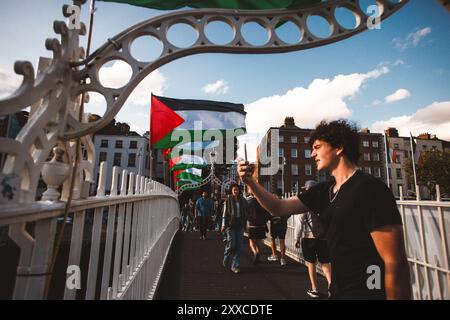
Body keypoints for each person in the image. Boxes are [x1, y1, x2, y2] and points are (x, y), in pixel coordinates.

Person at [237, 119, 411, 300]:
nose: (312, 154)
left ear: (339, 148)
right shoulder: (323, 191)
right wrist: (251, 183)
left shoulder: (370, 189)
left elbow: (394, 262)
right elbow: (278, 208)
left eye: (317, 147)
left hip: (368, 292)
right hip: (338, 291)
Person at [294, 180, 332, 299]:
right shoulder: (325, 203)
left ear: (307, 189)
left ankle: (314, 289)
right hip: (323, 238)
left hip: (309, 238)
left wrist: (296, 238)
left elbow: (299, 223)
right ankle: (332, 286)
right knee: (326, 264)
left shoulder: (305, 204)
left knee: (311, 264)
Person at [221, 183, 248, 273]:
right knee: (232, 244)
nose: (236, 191)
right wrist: (223, 225)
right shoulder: (228, 200)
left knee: (239, 246)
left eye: (237, 190)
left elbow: (246, 213)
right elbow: (224, 214)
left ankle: (235, 266)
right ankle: (226, 255)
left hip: (240, 224)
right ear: (231, 191)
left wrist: (246, 224)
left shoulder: (243, 201)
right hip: (230, 224)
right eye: (234, 190)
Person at [246, 186, 271, 265]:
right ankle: (258, 254)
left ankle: (255, 252)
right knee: (259, 242)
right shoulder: (262, 202)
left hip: (252, 224)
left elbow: (246, 213)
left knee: (251, 242)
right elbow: (267, 213)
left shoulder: (248, 202)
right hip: (261, 224)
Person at [267, 188, 289, 266]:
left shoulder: (273, 203)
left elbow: (269, 213)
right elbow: (289, 213)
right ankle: (282, 259)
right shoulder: (285, 202)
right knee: (282, 241)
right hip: (283, 224)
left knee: (272, 240)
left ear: (275, 195)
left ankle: (274, 255)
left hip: (274, 224)